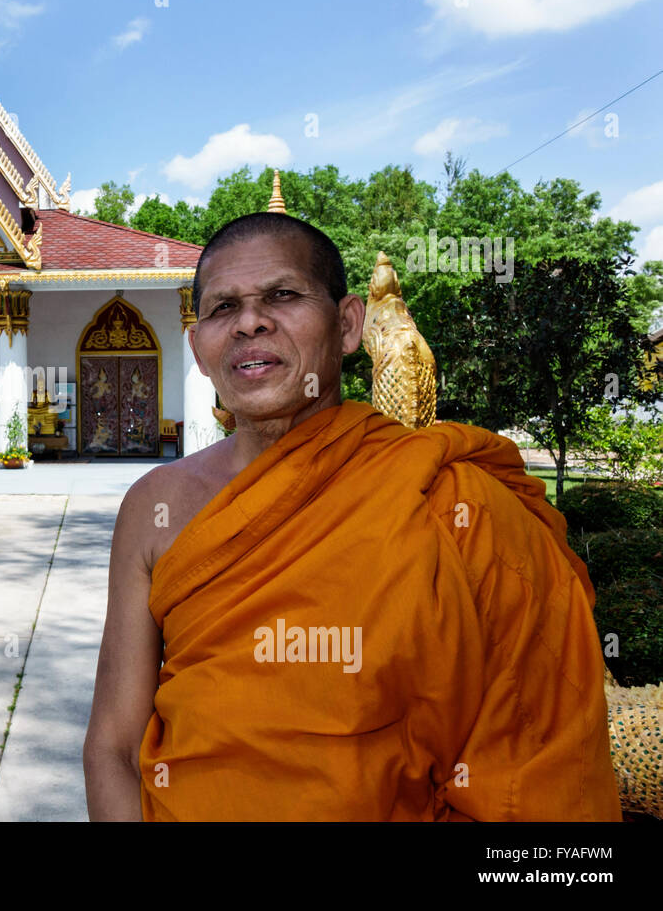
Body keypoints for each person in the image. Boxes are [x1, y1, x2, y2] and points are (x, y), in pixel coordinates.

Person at [82, 211, 621, 821]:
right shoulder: (156, 507)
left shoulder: (453, 502)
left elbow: (533, 766)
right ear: (198, 348)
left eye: (282, 295)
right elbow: (116, 749)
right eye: (222, 308)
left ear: (348, 325)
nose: (250, 322)